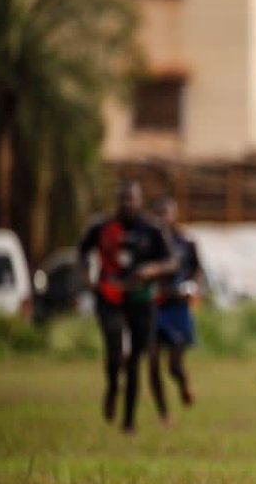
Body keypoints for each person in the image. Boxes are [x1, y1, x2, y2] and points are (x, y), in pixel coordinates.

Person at [77, 180, 175, 434]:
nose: (127, 203)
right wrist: (88, 279)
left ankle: (128, 420)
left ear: (140, 200)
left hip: (141, 300)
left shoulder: (152, 229)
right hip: (110, 296)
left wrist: (152, 269)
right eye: (123, 199)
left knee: (134, 363)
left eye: (132, 198)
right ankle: (112, 387)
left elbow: (172, 261)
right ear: (117, 200)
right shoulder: (102, 226)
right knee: (114, 350)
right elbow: (82, 252)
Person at [148, 197, 203, 424]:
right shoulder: (147, 244)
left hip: (178, 309)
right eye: (159, 213)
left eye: (167, 213)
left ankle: (183, 382)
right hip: (153, 309)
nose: (163, 217)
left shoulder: (185, 243)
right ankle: (164, 414)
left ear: (174, 215)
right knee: (152, 363)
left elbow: (197, 271)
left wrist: (190, 287)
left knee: (173, 365)